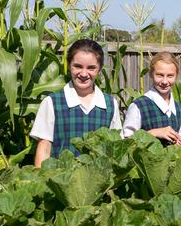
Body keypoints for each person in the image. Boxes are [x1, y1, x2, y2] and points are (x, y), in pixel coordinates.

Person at [31, 39, 121, 167]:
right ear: (68, 65)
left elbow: (115, 146)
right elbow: (44, 149)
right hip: (61, 180)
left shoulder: (110, 104)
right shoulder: (52, 102)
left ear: (99, 69)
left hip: (98, 182)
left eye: (91, 68)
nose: (84, 73)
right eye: (78, 66)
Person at [122, 51, 181, 146]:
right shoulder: (139, 106)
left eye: (170, 76)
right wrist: (154, 133)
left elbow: (179, 136)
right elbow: (125, 142)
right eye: (159, 75)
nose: (165, 81)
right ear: (151, 74)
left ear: (176, 76)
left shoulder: (179, 109)